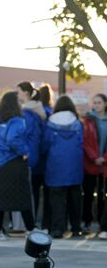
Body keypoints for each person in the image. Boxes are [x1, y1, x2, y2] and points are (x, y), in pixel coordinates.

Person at [0, 91, 35, 241]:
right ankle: (31, 229)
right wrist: (25, 151)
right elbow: (12, 138)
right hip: (13, 162)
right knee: (23, 197)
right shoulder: (17, 120)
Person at [42, 95, 83, 238]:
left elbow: (45, 144)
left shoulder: (50, 123)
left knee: (57, 199)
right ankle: (76, 227)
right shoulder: (77, 123)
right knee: (75, 198)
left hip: (55, 165)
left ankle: (58, 228)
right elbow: (82, 142)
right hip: (74, 166)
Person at [16, 81, 47, 231]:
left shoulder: (27, 113)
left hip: (28, 156)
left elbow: (24, 134)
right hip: (35, 155)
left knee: (27, 192)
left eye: (19, 91)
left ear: (26, 93)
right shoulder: (38, 111)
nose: (18, 94)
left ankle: (29, 224)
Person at [83, 94, 107, 236]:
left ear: (105, 104)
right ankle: (86, 221)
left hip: (105, 164)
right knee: (88, 193)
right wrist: (94, 157)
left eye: (99, 102)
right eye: (95, 102)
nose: (97, 105)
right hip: (91, 163)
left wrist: (103, 158)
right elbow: (85, 141)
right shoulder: (88, 120)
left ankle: (101, 223)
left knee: (103, 195)